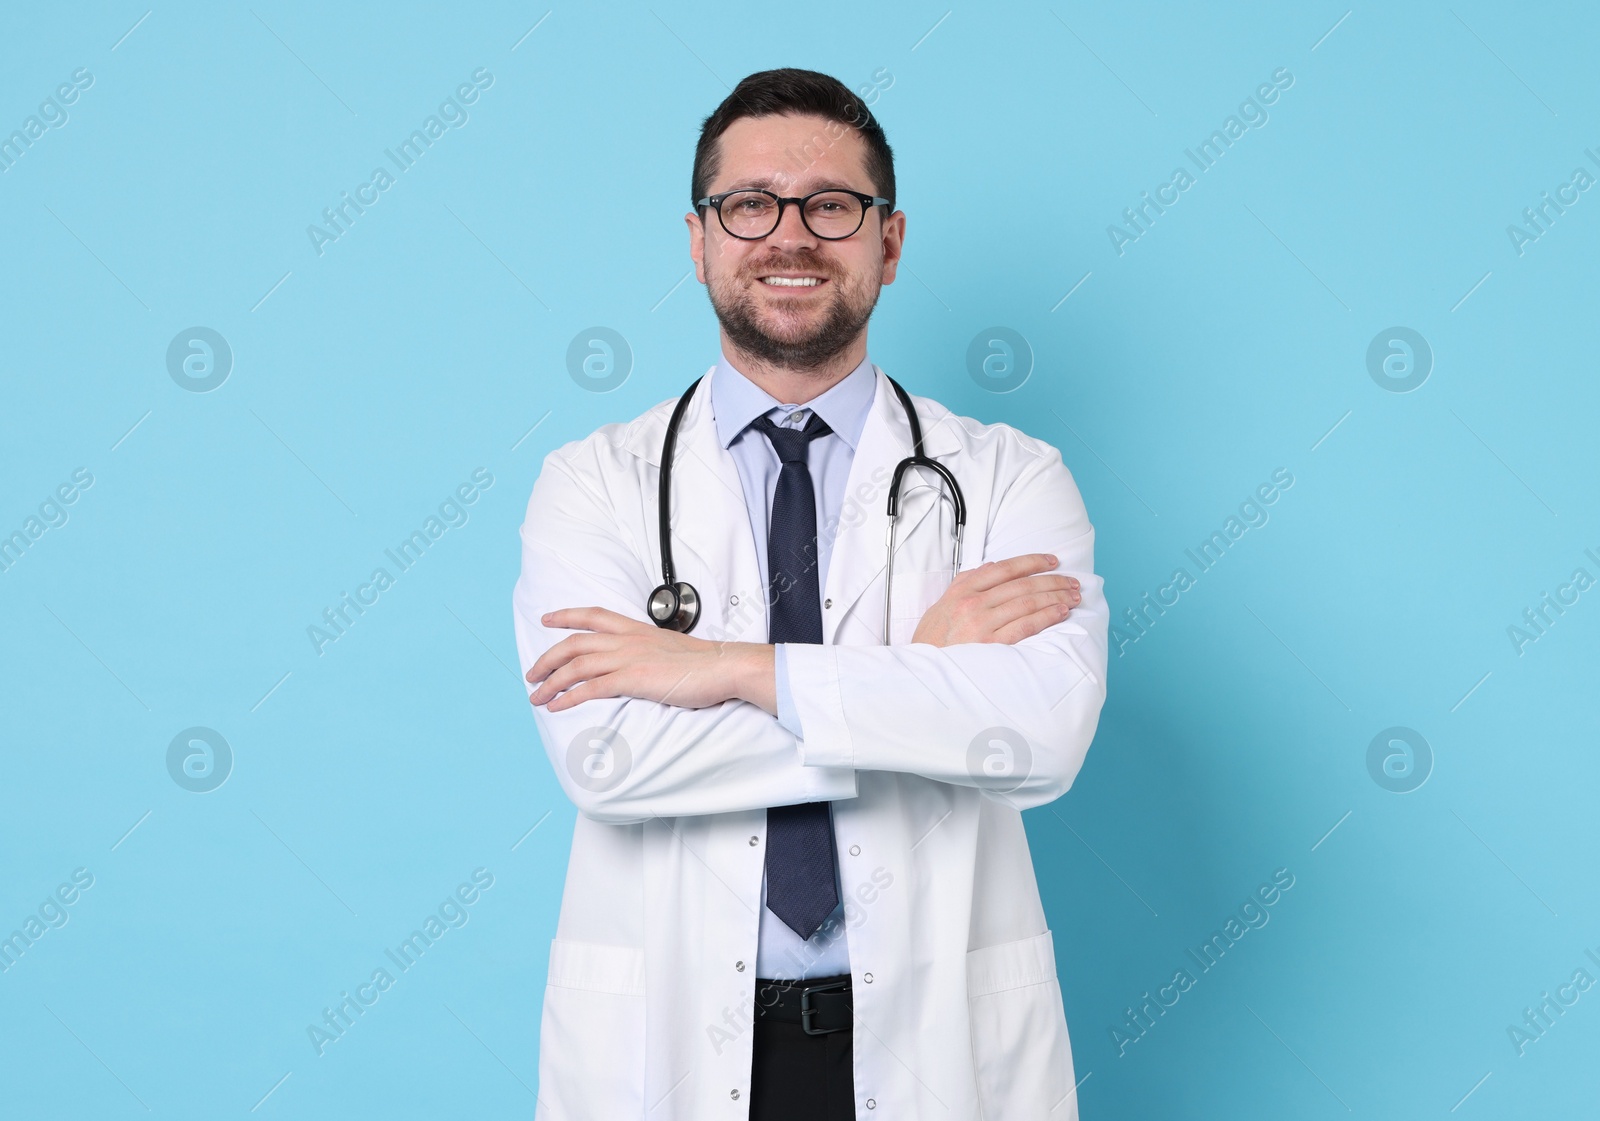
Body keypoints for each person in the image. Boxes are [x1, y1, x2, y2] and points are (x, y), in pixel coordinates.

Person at [513, 67, 1109, 1121]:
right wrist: (918, 683)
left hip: (940, 1039)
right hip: (670, 1040)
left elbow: (1040, 736)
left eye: (832, 205)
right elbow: (605, 758)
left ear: (888, 240)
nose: (790, 236)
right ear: (698, 240)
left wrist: (725, 672)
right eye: (749, 204)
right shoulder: (591, 482)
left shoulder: (1013, 476)